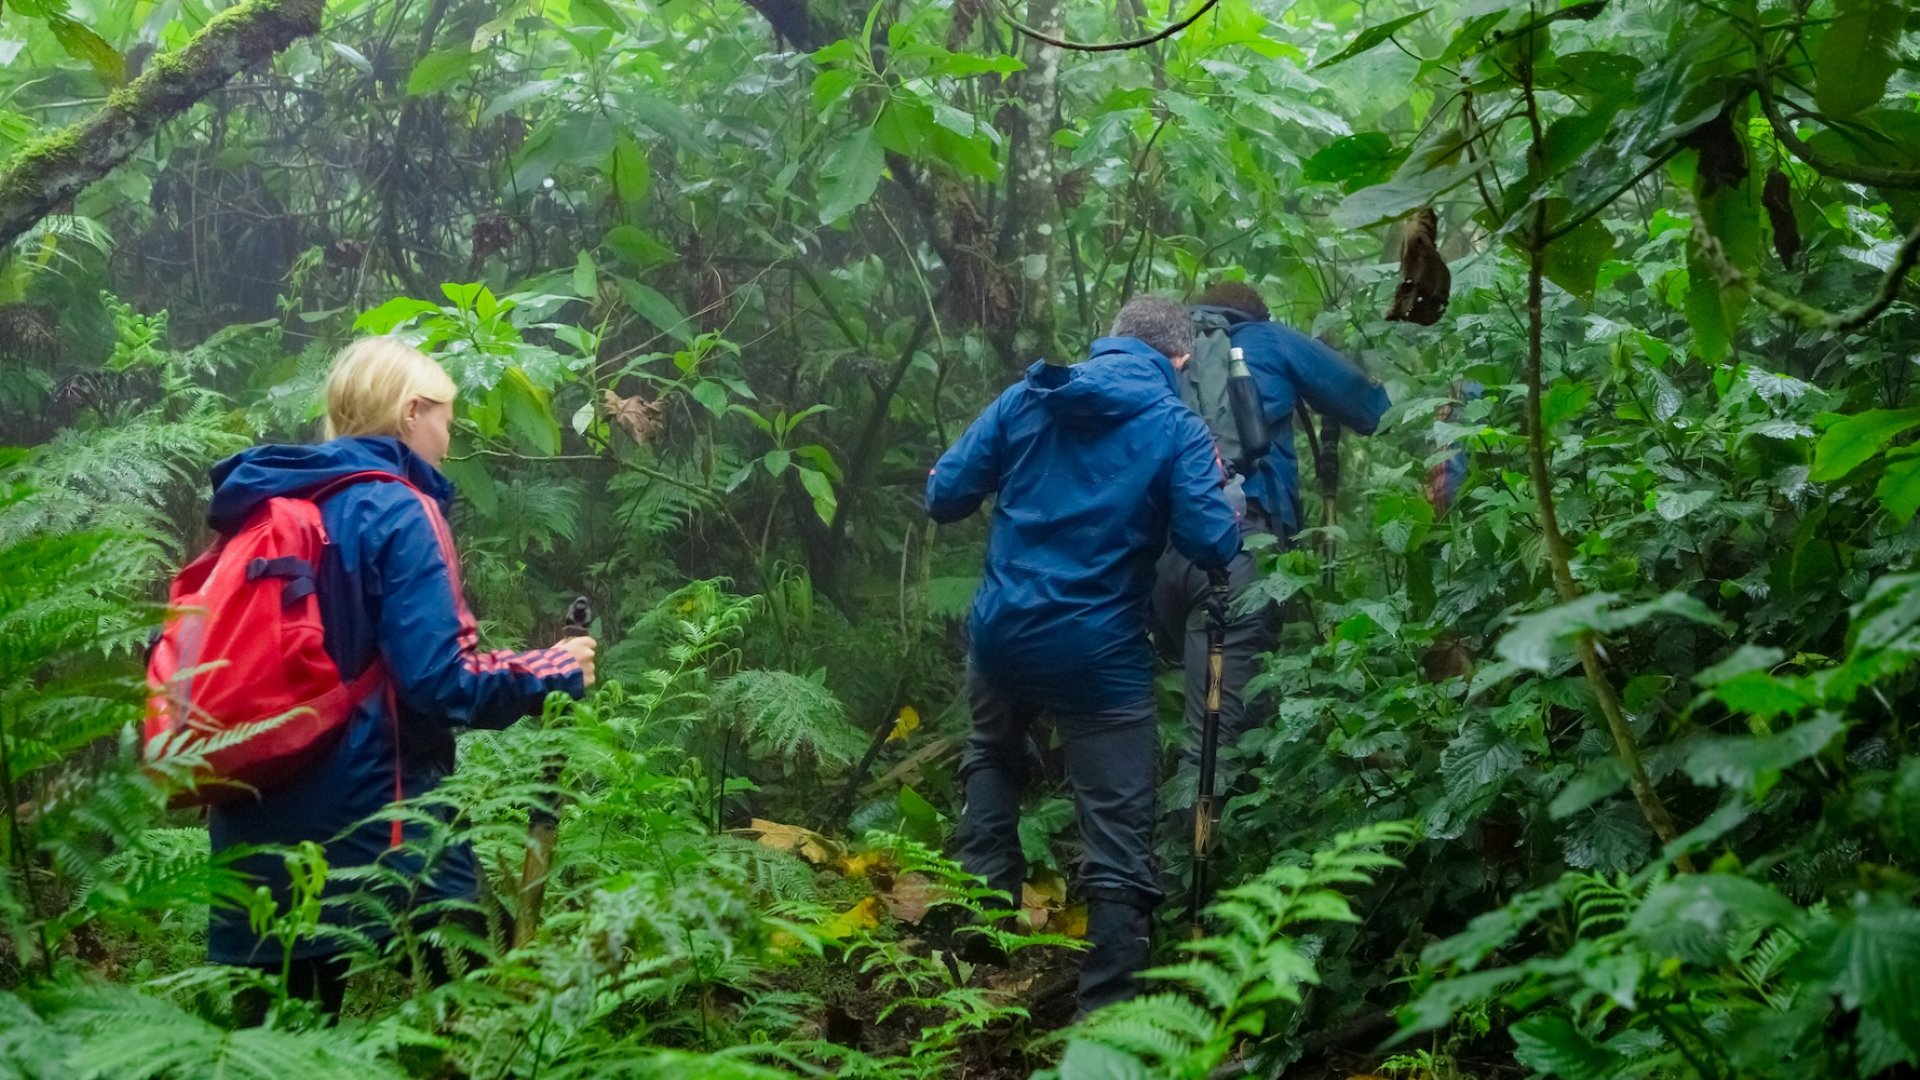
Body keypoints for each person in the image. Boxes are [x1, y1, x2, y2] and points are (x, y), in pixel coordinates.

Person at [206, 338, 597, 1019]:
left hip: (251, 829)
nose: (449, 438)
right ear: (412, 413)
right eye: (446, 417)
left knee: (273, 1053)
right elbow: (438, 681)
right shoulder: (400, 509)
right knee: (478, 1010)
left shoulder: (268, 508)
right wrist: (553, 669)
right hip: (381, 830)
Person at [926, 295, 1241, 1013]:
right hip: (1098, 652)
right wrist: (1231, 502)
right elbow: (1211, 545)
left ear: (1109, 341)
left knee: (991, 751)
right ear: (1181, 361)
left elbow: (944, 496)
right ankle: (1107, 1015)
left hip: (1002, 631)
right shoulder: (1175, 426)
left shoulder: (1027, 398)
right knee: (1117, 828)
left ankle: (981, 925)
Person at [1152, 279, 1391, 794]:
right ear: (1254, 315)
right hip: (1235, 549)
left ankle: (1163, 849)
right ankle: (1204, 865)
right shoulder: (1269, 341)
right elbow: (1373, 410)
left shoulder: (1163, 353)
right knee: (1219, 737)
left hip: (1155, 558)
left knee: (1201, 712)